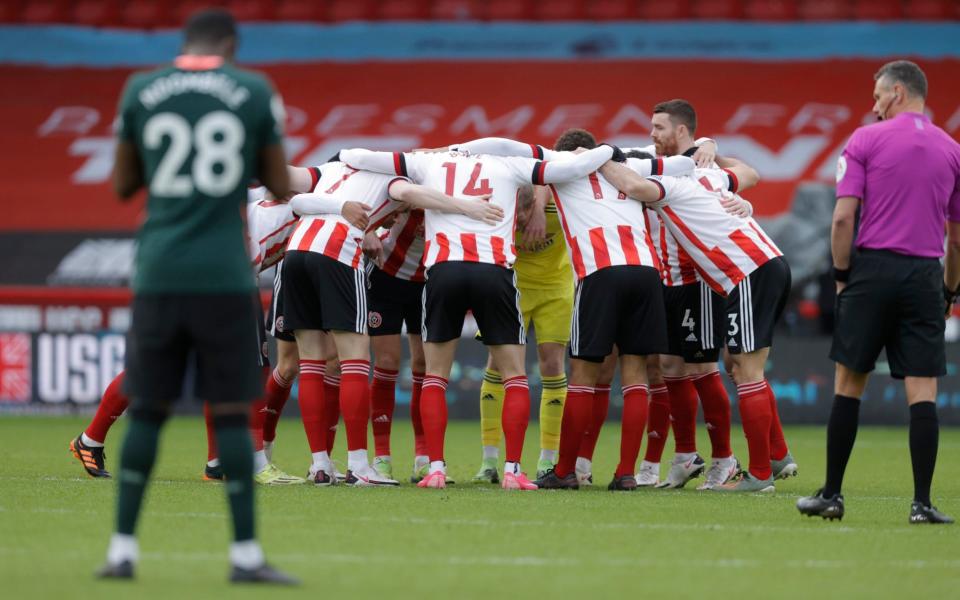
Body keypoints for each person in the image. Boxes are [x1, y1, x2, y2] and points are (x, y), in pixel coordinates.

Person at [95, 9, 297, 583]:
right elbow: (279, 184)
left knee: (150, 413)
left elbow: (122, 184)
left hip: (159, 269)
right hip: (224, 275)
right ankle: (246, 559)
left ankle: (122, 552)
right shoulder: (253, 89)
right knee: (233, 415)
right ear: (231, 45)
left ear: (182, 43)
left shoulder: (142, 87)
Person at [339, 144, 617, 490]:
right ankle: (513, 470)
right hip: (492, 270)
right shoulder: (512, 163)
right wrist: (608, 149)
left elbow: (355, 155)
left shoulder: (430, 160)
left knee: (435, 376)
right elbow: (572, 168)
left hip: (444, 271)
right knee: (514, 375)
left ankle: (436, 468)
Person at [798, 60, 960, 524]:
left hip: (871, 271)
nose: (874, 106)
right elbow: (957, 240)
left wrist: (843, 275)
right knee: (922, 392)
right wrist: (949, 289)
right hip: (925, 274)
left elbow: (843, 217)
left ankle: (831, 494)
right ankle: (922, 504)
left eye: (877, 96)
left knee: (849, 384)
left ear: (896, 93)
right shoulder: (952, 150)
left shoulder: (864, 139)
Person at [598, 145, 793, 493]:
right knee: (735, 364)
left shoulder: (675, 184)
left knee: (742, 371)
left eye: (660, 128)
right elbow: (749, 172)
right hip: (750, 270)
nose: (655, 136)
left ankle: (758, 473)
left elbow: (639, 187)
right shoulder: (708, 175)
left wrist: (602, 161)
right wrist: (715, 152)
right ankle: (773, 457)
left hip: (741, 273)